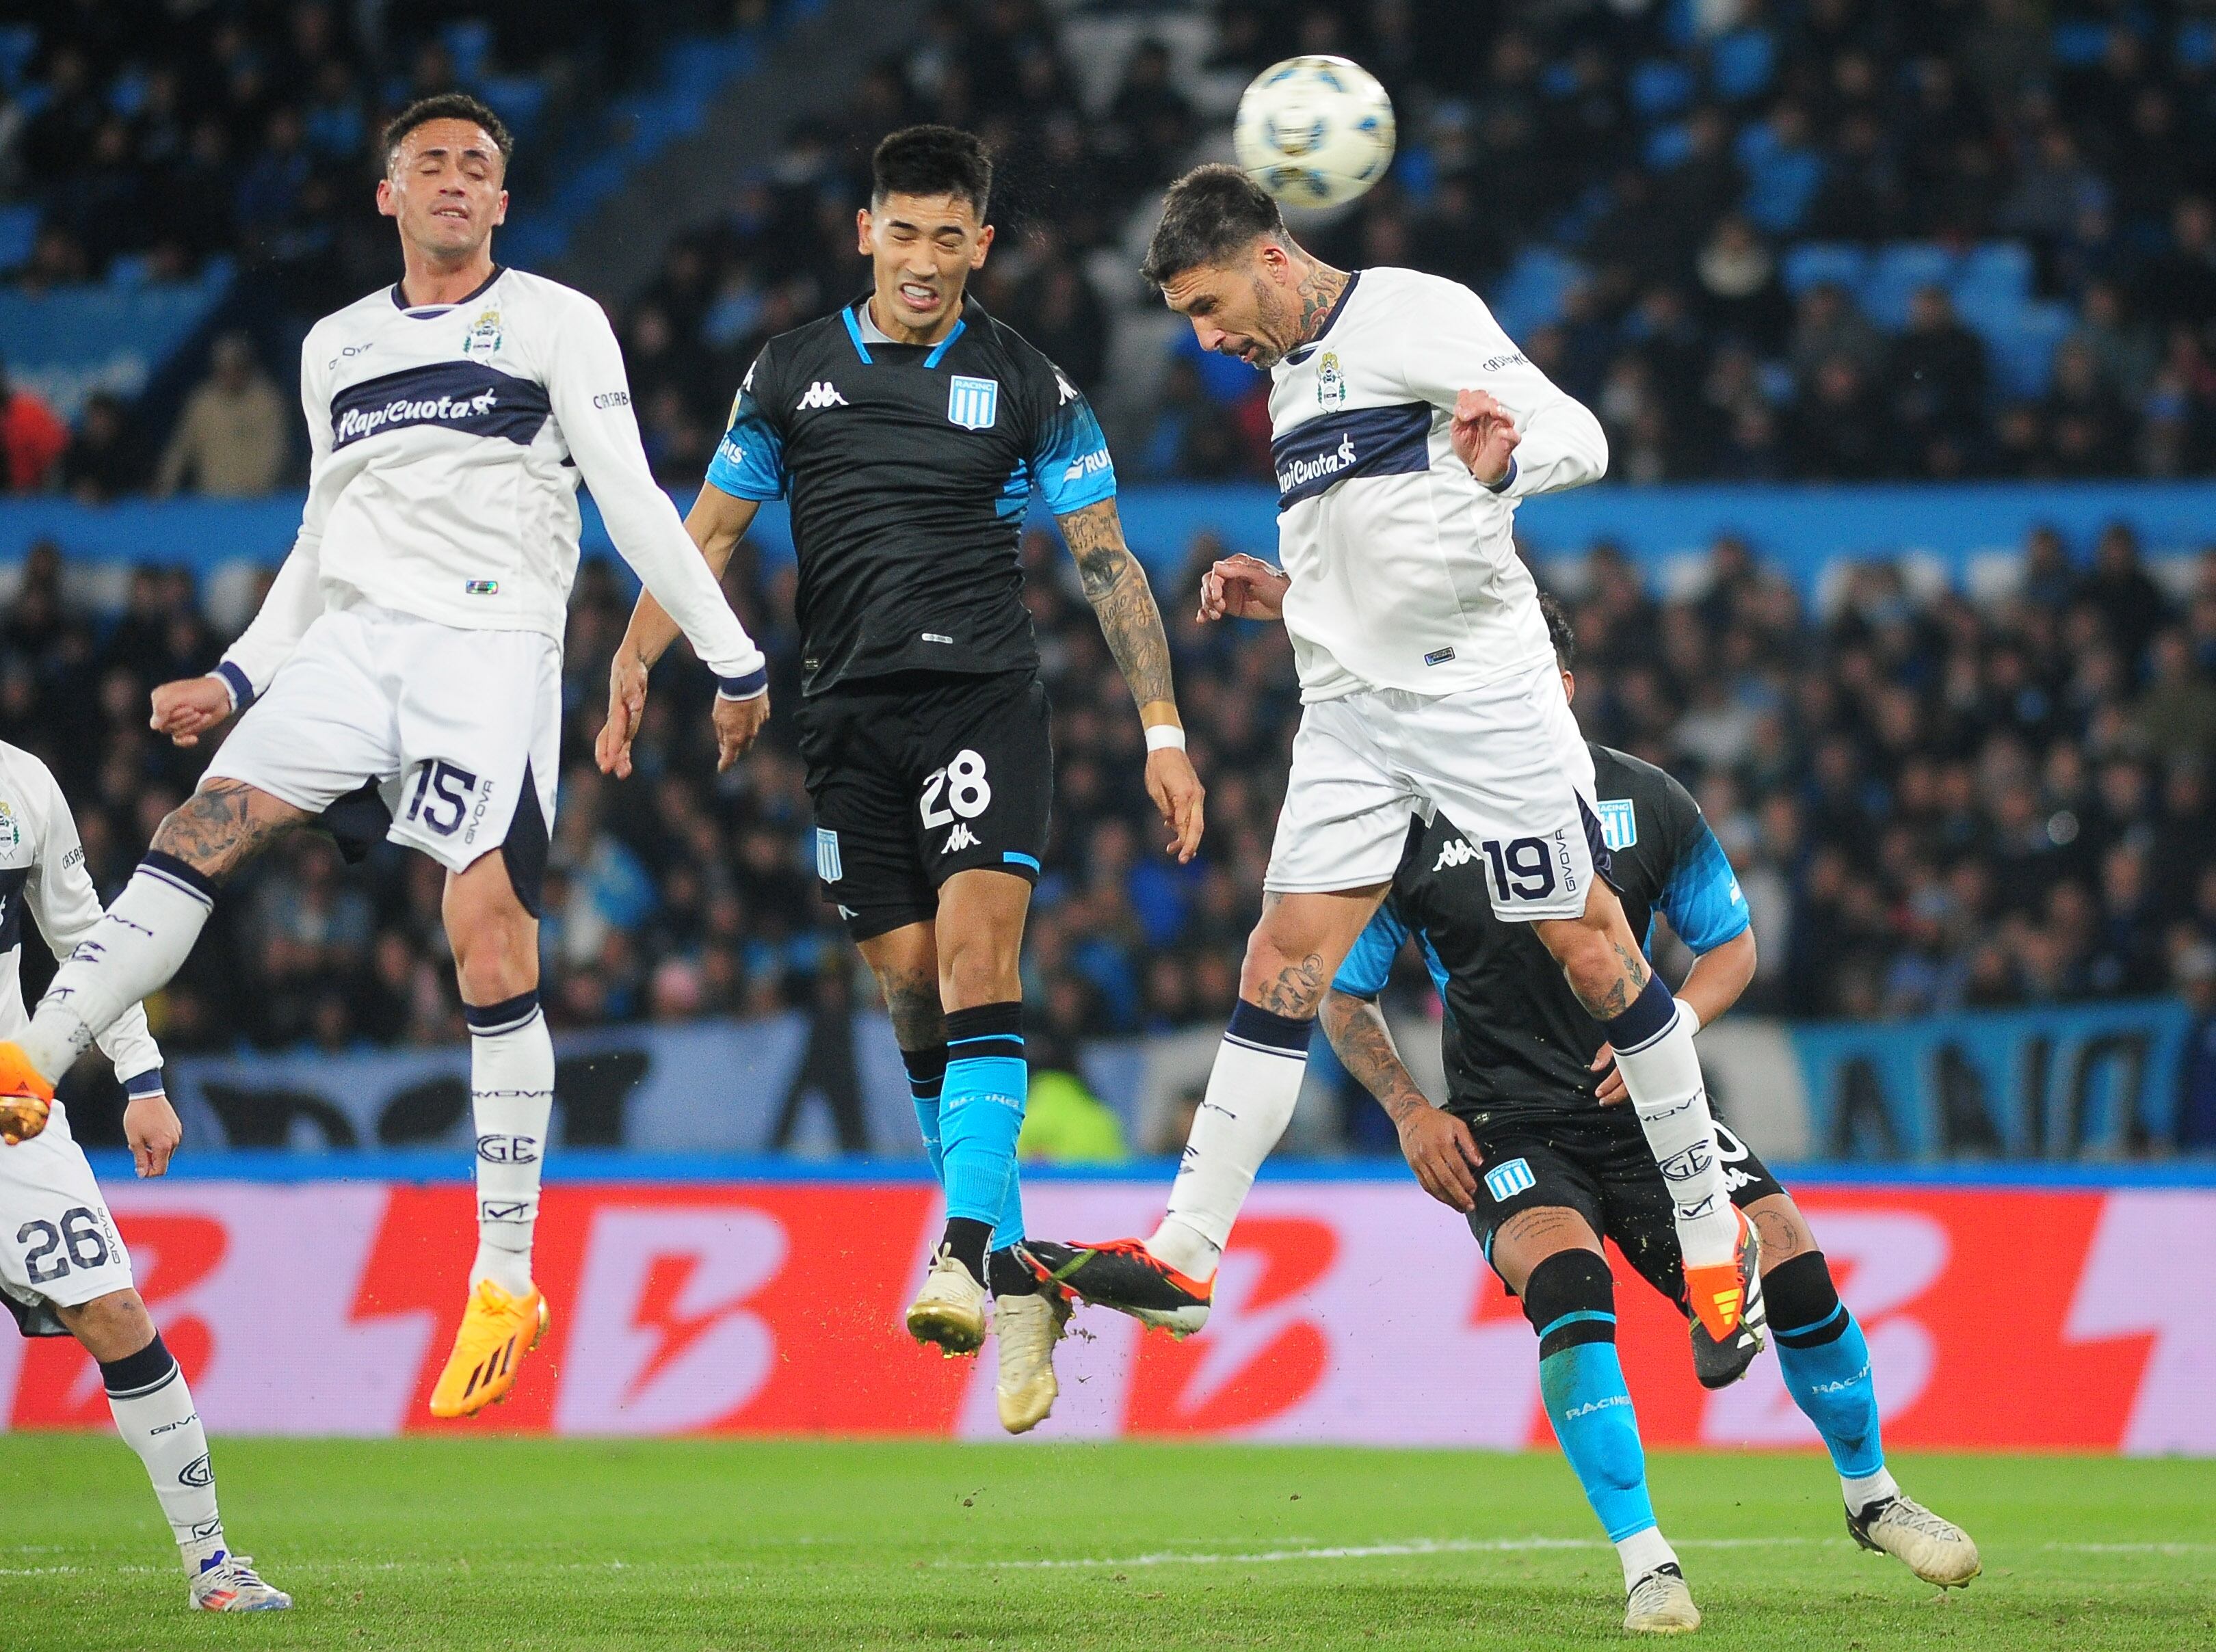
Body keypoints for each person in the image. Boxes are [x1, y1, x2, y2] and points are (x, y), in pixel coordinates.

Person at [0, 93, 772, 1420]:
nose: (458, 184)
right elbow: (316, 535)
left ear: (505, 201)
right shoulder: (335, 348)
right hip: (351, 651)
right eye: (433, 166)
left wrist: (733, 649)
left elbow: (634, 496)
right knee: (202, 826)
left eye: (480, 168)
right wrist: (237, 674)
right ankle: (31, 1066)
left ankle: (507, 1269)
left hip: (488, 648)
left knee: (488, 933)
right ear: (389, 196)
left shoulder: (553, 321)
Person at [1025, 165, 1754, 1349]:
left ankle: (1714, 1237)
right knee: (1280, 958)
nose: (1208, 341)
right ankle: (1186, 1253)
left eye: (1210, 309)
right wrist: (1289, 590)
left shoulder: (1416, 313)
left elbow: (1582, 435)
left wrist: (1505, 462)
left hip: (1478, 695)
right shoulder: (1288, 384)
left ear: (1270, 256)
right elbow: (1373, 547)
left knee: (1590, 950)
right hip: (1355, 710)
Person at [596, 126, 1202, 1435]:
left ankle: (963, 1253)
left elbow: (1106, 562)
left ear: (982, 245)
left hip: (982, 700)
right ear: (865, 230)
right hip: (845, 724)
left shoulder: (1027, 381)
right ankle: (1023, 1273)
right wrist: (638, 658)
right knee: (914, 998)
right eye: (904, 232)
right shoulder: (793, 368)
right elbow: (705, 531)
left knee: (983, 968)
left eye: (952, 238)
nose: (925, 262)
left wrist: (1163, 729)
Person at [1313, 599, 1978, 1631]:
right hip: (1507, 1125)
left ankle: (1874, 1494)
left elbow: (1733, 946)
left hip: (1647, 1108)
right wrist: (1408, 1111)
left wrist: (1669, 1035)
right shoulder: (1412, 822)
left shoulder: (1645, 800)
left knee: (1791, 1254)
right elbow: (1341, 990)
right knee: (1568, 1282)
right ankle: (1647, 1563)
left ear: (1560, 687)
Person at [0, 741, 289, 1610]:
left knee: (117, 1313)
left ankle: (213, 1567)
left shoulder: (22, 784)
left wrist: (140, 1075)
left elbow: (89, 940)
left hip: (11, 1104)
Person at [154, 332, 291, 497]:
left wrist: (261, 482)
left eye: (236, 367)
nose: (231, 374)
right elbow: (183, 446)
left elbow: (275, 446)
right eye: (225, 368)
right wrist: (165, 481)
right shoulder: (203, 402)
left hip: (254, 501)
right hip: (212, 499)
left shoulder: (266, 400)